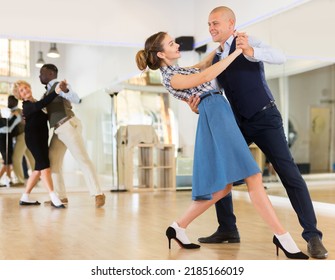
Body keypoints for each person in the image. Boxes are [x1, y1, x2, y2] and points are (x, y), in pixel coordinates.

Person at [135, 31, 308, 259]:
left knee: (224, 187)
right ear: (161, 53)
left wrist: (224, 44)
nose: (177, 45)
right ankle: (283, 237)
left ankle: (178, 227)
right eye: (171, 43)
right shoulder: (170, 77)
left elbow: (204, 64)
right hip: (216, 113)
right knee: (253, 177)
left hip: (218, 110)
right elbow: (207, 74)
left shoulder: (177, 70)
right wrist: (237, 51)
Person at [187, 6, 327, 259]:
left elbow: (280, 57)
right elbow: (214, 93)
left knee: (289, 174)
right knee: (223, 173)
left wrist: (251, 51)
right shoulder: (217, 59)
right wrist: (196, 106)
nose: (211, 29)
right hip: (238, 122)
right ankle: (228, 228)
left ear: (231, 23)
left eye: (216, 23)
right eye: (209, 25)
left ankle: (313, 236)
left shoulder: (249, 41)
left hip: (265, 117)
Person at [39, 64, 105, 208]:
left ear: (51, 73)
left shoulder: (58, 85)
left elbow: (75, 99)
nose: (39, 76)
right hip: (58, 130)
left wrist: (66, 89)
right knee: (53, 163)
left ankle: (98, 193)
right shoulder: (45, 94)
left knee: (82, 158)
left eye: (41, 73)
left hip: (67, 125)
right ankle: (61, 197)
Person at [12, 80, 65, 208]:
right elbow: (44, 102)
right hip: (33, 140)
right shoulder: (27, 105)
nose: (25, 91)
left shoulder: (35, 103)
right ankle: (54, 196)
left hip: (41, 139)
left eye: (25, 87)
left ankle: (25, 197)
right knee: (45, 167)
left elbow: (43, 107)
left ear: (29, 87)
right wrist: (56, 91)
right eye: (21, 91)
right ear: (20, 96)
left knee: (37, 170)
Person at [8, 95, 35, 186]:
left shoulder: (16, 112)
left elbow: (12, 126)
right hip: (25, 135)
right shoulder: (17, 111)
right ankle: (37, 176)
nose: (8, 103)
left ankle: (20, 180)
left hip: (22, 136)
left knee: (16, 158)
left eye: (9, 101)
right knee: (30, 156)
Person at [0, 105, 21, 186]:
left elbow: (11, 124)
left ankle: (8, 179)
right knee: (7, 161)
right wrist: (14, 116)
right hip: (2, 142)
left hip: (7, 141)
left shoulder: (4, 120)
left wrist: (14, 115)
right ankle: (7, 179)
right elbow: (8, 127)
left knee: (8, 161)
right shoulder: (3, 121)